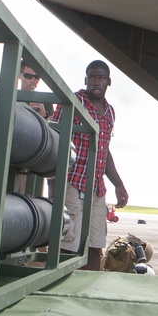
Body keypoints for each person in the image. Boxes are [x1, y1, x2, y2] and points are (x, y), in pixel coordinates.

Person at [52, 60, 129, 270]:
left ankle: (90, 288)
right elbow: (55, 137)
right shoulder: (73, 102)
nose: (97, 82)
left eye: (101, 78)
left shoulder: (110, 112)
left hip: (97, 189)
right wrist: (54, 181)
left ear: (108, 82)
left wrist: (118, 184)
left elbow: (104, 151)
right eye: (92, 78)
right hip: (73, 183)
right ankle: (61, 288)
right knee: (68, 242)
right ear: (86, 79)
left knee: (95, 244)